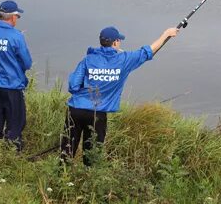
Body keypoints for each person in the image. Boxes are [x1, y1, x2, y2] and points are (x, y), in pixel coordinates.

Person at [60, 26, 179, 165]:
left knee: (66, 152)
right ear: (115, 42)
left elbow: (73, 86)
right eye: (119, 40)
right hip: (97, 115)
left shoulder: (88, 59)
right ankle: (88, 183)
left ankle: (60, 179)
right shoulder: (124, 60)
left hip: (75, 110)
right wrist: (166, 34)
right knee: (91, 157)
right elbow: (148, 51)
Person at [0, 0, 32, 151]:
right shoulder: (16, 36)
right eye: (17, 16)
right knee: (16, 121)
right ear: (13, 17)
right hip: (12, 86)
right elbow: (27, 63)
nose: (17, 19)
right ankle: (13, 152)